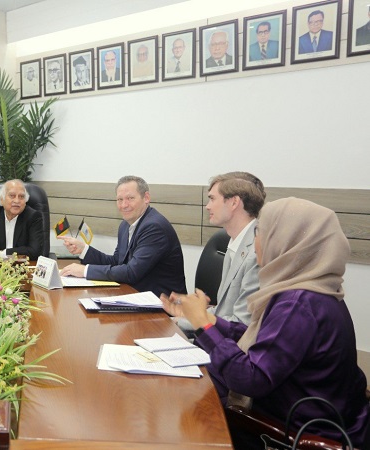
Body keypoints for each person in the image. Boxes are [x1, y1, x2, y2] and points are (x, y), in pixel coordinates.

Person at [161, 198, 369, 449]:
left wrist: (204, 326)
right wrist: (211, 320)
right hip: (323, 413)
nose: (255, 243)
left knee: (182, 414)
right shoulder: (310, 288)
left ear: (286, 242)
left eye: (260, 233)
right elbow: (264, 337)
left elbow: (249, 379)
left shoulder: (298, 303)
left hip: (296, 431)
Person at [59, 176, 186, 297]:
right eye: (120, 199)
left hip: (163, 304)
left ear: (146, 198)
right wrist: (84, 249)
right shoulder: (125, 225)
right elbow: (117, 262)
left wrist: (85, 271)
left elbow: (131, 272)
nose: (124, 205)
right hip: (134, 294)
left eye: (130, 198)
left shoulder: (154, 227)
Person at [177, 172, 265, 334]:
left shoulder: (256, 253)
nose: (207, 206)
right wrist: (178, 319)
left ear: (234, 202)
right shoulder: (235, 241)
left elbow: (241, 325)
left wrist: (189, 319)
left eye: (212, 199)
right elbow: (221, 312)